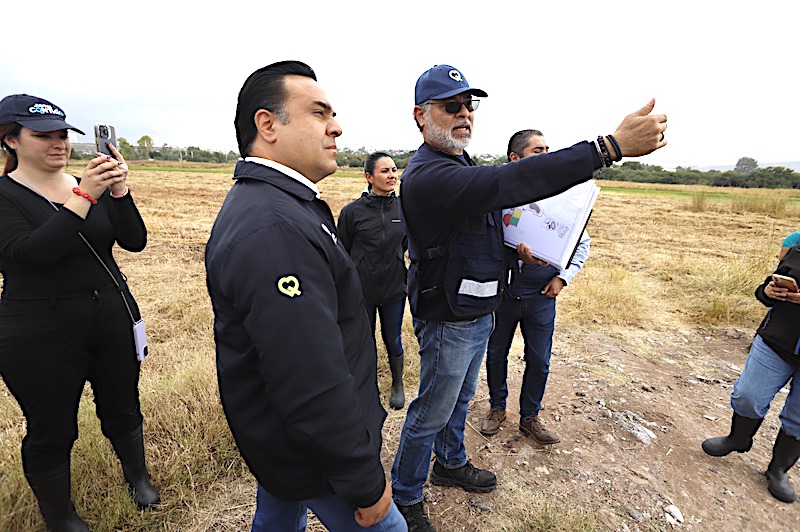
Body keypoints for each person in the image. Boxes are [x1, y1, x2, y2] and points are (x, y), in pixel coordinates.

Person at [391, 64, 667, 531]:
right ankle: (405, 494)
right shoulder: (428, 173)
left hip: (479, 308)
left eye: (469, 105)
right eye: (450, 106)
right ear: (421, 115)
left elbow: (477, 227)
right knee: (432, 408)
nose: (464, 114)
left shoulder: (458, 164)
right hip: (449, 316)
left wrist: (524, 247)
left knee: (460, 398)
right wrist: (608, 148)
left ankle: (450, 462)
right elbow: (509, 183)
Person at [204, 61, 406, 532]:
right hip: (312, 455)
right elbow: (309, 377)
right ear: (267, 124)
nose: (336, 127)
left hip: (286, 443)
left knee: (278, 514)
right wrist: (363, 480)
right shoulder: (274, 227)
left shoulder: (288, 205)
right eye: (319, 113)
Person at [0, 94, 158, 531]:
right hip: (38, 332)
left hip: (109, 318)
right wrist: (84, 195)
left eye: (63, 135)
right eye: (42, 135)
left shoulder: (91, 185)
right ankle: (60, 516)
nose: (59, 144)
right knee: (52, 427)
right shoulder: (6, 197)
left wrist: (120, 192)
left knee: (124, 406)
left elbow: (134, 241)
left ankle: (138, 479)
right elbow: (33, 255)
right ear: (10, 140)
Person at [480, 130, 591, 444]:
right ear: (515, 159)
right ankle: (497, 408)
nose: (546, 156)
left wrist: (562, 278)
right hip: (501, 294)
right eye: (537, 151)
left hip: (542, 295)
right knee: (496, 352)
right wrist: (509, 254)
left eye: (548, 150)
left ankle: (530, 417)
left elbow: (581, 245)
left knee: (539, 358)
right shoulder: (497, 198)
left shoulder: (564, 200)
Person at [701, 246, 800, 503]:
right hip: (776, 341)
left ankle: (778, 470)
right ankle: (738, 439)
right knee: (748, 395)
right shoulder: (797, 249)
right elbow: (769, 289)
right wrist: (768, 290)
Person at [337, 152, 408, 409]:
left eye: (393, 170)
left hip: (394, 290)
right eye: (385, 171)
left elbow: (407, 246)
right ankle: (367, 388)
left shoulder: (404, 208)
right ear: (369, 177)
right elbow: (341, 253)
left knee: (393, 339)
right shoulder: (352, 212)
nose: (392, 176)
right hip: (361, 291)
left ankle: (397, 384)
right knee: (363, 341)